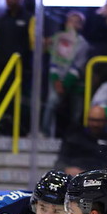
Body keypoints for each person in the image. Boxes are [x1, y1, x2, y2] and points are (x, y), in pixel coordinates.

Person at [41, 10, 89, 138]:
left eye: (77, 22)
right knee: (51, 102)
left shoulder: (83, 44)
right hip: (57, 80)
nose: (73, 24)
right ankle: (45, 132)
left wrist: (65, 83)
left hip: (75, 82)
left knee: (76, 112)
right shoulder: (58, 38)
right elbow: (53, 62)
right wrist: (56, 80)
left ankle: (74, 136)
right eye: (71, 21)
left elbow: (78, 66)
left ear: (81, 26)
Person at [55, 104, 107, 176]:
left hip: (103, 177)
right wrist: (66, 169)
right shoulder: (74, 138)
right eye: (92, 120)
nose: (95, 124)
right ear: (87, 120)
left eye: (99, 121)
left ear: (105, 121)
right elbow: (60, 162)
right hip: (78, 176)